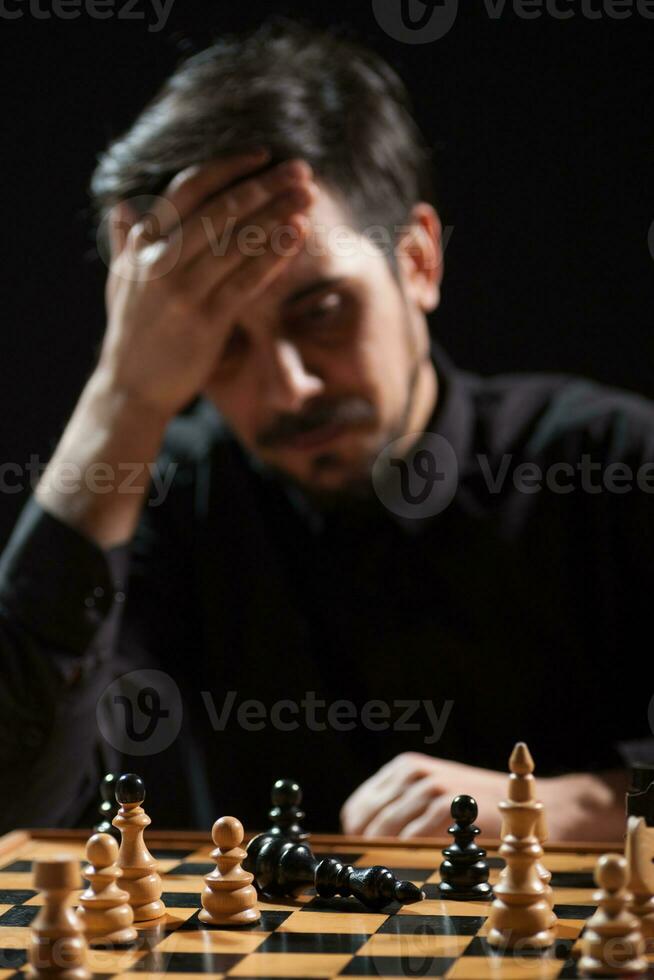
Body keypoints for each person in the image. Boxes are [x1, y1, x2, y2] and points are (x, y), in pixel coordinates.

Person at [0, 17, 652, 839]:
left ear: (418, 260)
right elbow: (12, 801)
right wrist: (122, 396)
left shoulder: (613, 465)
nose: (288, 388)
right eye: (221, 343)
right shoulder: (170, 504)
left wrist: (575, 807)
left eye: (323, 312)